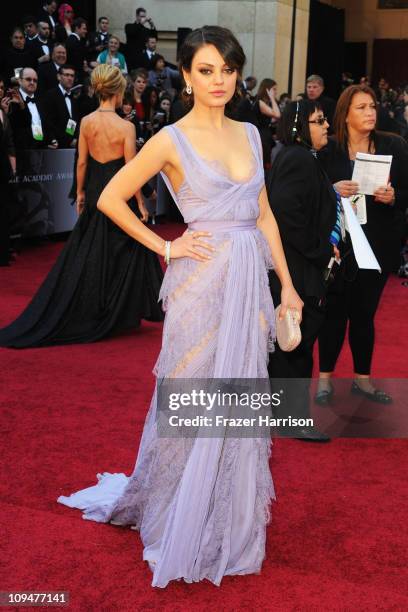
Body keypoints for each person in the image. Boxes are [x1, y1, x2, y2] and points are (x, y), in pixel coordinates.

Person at [56, 25, 303, 588]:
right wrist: (166, 246)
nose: (219, 81)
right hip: (200, 283)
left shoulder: (251, 134)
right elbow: (108, 197)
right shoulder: (170, 138)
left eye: (228, 70)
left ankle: (226, 520)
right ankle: (176, 513)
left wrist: (287, 284)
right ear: (187, 76)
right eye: (206, 70)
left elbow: (263, 215)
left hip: (247, 283)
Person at [0, 65, 164, 348]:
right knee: (124, 248)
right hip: (118, 193)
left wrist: (80, 193)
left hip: (96, 189)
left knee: (92, 251)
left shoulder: (86, 121)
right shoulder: (126, 126)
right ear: (117, 90)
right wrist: (140, 202)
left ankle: (101, 306)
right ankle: (117, 310)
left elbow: (82, 162)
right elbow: (131, 169)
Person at [316, 84, 408, 404]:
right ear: (345, 115)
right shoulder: (327, 151)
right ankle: (325, 380)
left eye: (372, 106)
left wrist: (395, 196)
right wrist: (331, 189)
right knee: (334, 312)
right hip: (338, 244)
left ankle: (363, 380)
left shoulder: (393, 145)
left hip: (379, 244)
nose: (371, 112)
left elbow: (407, 192)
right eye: (362, 107)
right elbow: (309, 195)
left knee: (365, 312)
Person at [267, 100, 338, 442]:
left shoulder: (299, 157)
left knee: (291, 346)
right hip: (297, 269)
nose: (327, 126)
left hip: (297, 265)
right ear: (299, 127)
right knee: (295, 344)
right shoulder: (297, 158)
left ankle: (283, 415)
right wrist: (321, 248)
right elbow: (284, 211)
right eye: (319, 120)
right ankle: (292, 419)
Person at [8, 67, 50, 150]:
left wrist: (50, 139)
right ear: (19, 81)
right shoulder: (12, 98)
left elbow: (47, 124)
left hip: (42, 148)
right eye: (28, 79)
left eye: (35, 80)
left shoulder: (42, 100)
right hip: (21, 150)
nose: (32, 82)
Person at [0, 77, 16, 267]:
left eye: (2, 87)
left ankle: (3, 252)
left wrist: (13, 167)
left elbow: (10, 142)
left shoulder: (4, 114)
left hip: (3, 169)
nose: (1, 90)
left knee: (3, 210)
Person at [43, 64, 79, 148]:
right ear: (59, 77)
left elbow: (73, 121)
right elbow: (49, 122)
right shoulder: (50, 95)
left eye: (72, 76)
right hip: (56, 145)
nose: (70, 78)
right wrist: (68, 141)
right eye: (66, 75)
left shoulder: (74, 98)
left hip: (71, 145)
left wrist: (73, 139)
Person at [253, 78, 281, 168]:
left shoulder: (265, 102)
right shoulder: (260, 102)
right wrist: (272, 98)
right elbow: (277, 115)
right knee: (265, 164)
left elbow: (273, 119)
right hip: (262, 136)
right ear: (267, 89)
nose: (276, 92)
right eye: (274, 89)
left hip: (265, 135)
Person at [125, 6, 157, 71]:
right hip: (132, 58)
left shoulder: (146, 30)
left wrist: (152, 26)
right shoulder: (129, 26)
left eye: (144, 16)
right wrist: (141, 23)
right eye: (141, 16)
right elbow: (132, 32)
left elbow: (155, 38)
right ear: (137, 16)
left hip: (143, 58)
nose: (144, 18)